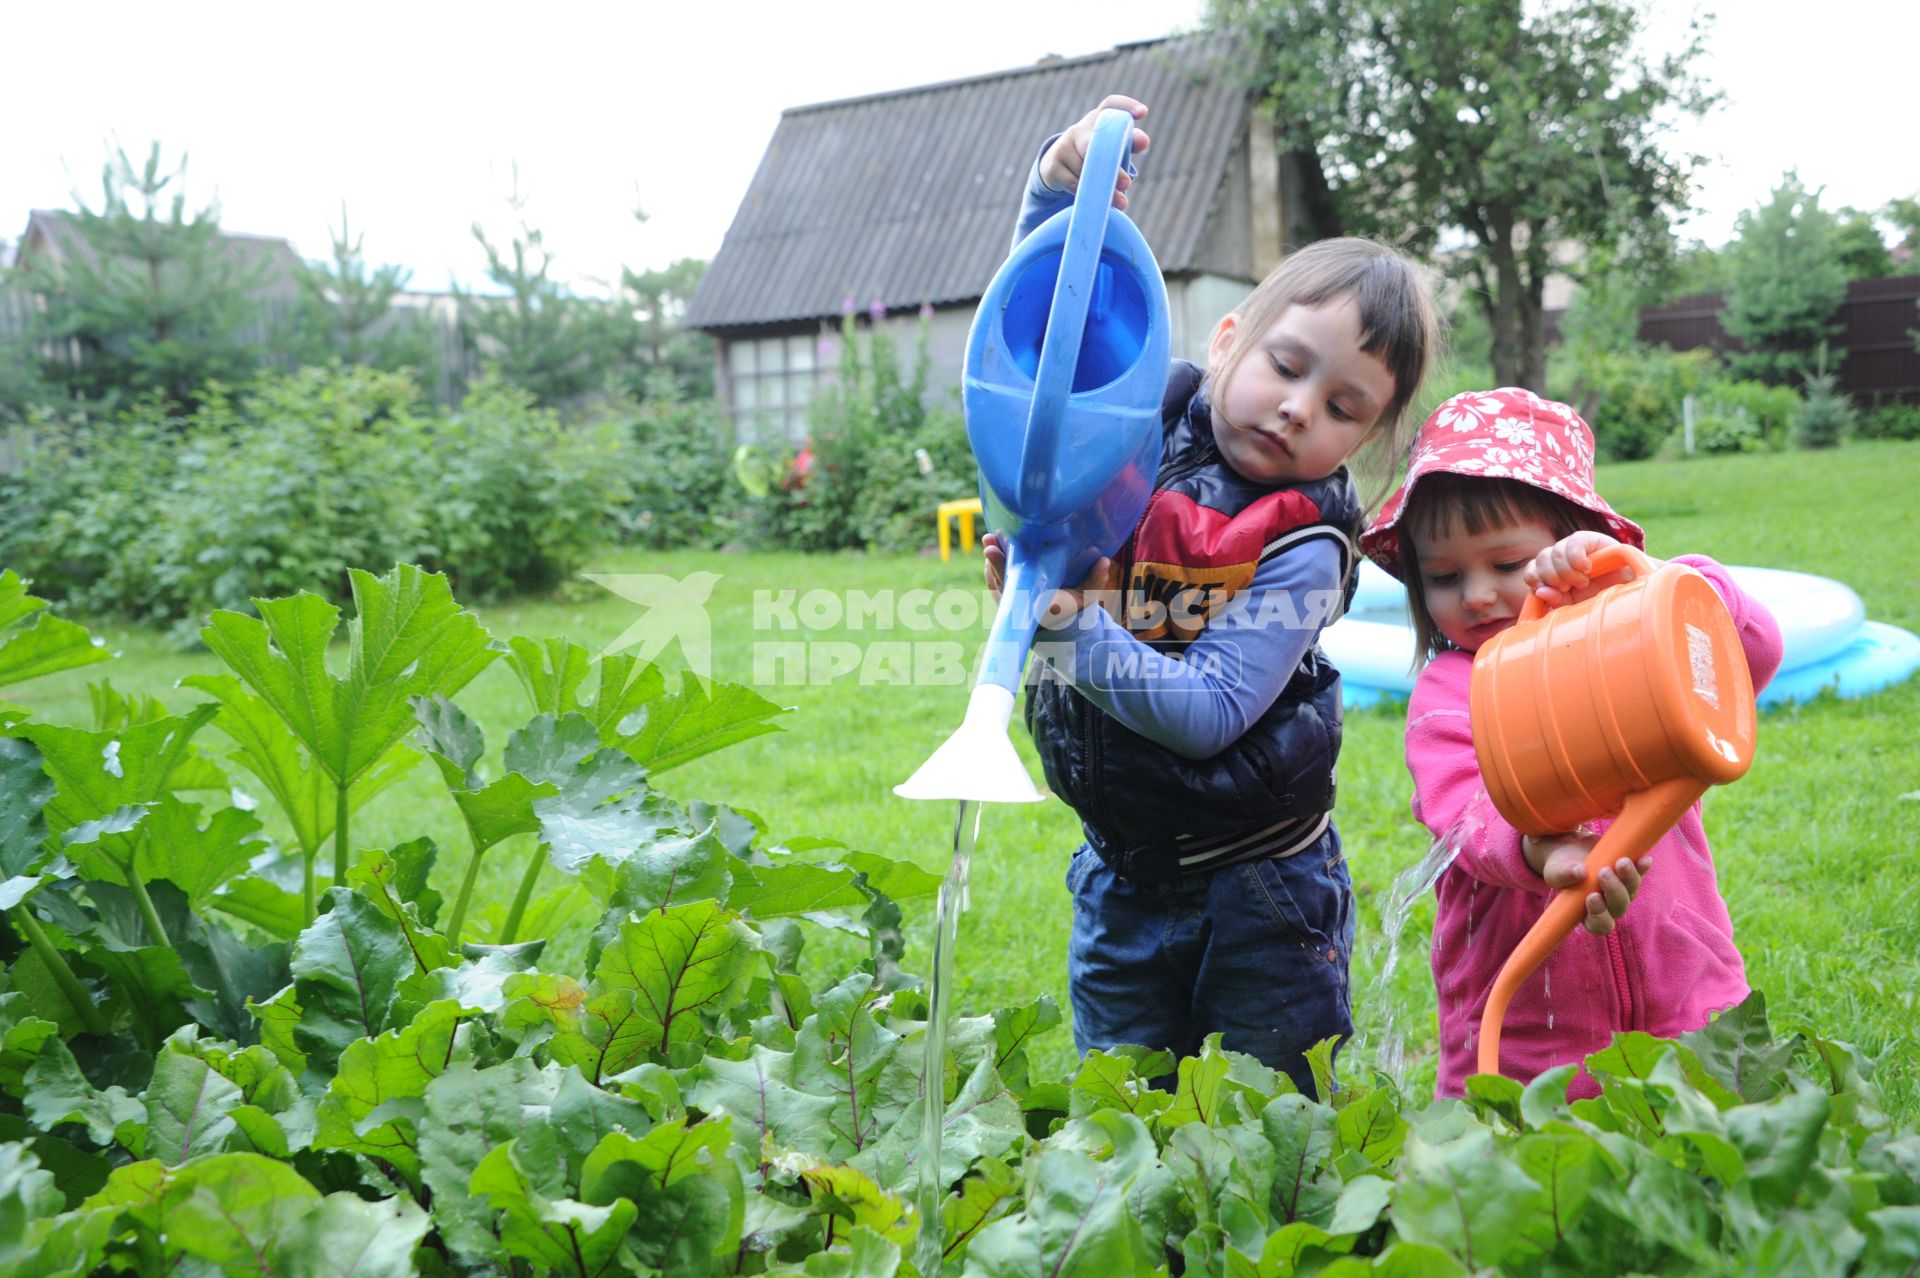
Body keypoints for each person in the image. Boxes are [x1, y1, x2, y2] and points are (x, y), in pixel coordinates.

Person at [981, 95, 1439, 1092]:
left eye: (1340, 407)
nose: (1295, 406)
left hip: (1261, 892)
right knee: (1127, 1119)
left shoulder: (1305, 544)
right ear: (1230, 338)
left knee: (1267, 1128)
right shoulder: (1136, 424)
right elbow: (1054, 345)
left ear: (1362, 441)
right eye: (1286, 364)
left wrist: (1061, 634)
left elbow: (1209, 716)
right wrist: (1055, 197)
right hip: (1120, 874)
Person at [1359, 386, 1784, 1099]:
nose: (1476, 595)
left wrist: (1639, 575)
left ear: (1570, 544)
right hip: (1526, 1017)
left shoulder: (1630, 644)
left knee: (1705, 1160)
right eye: (1444, 577)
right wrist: (1538, 849)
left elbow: (1749, 650)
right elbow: (1459, 809)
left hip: (1685, 988)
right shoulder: (1451, 691)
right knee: (1524, 1172)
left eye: (1506, 564)